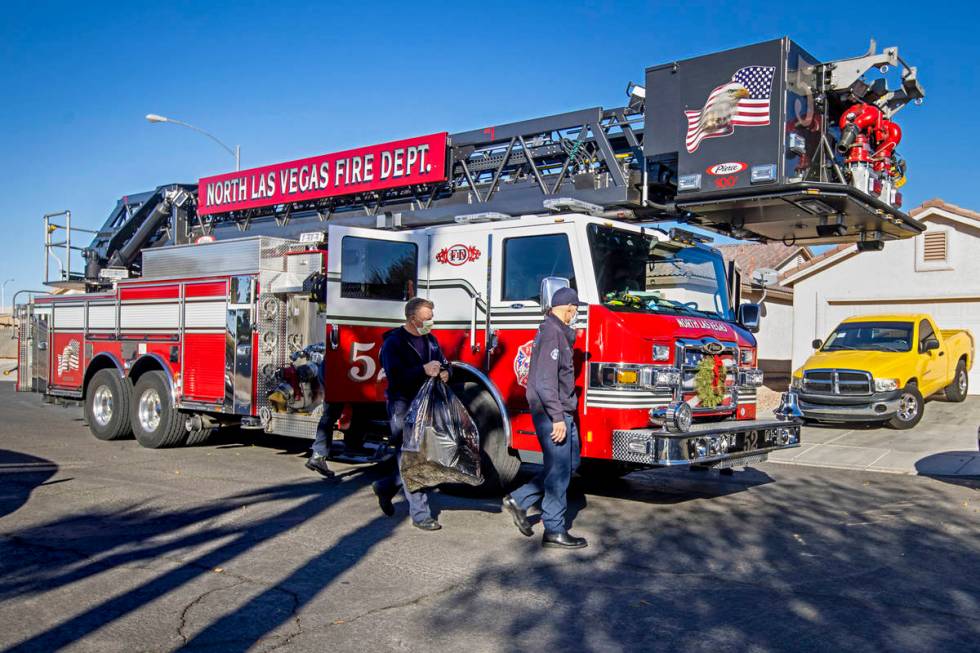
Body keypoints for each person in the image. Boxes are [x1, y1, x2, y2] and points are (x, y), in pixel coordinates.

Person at [502, 286, 588, 549]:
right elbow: (544, 381)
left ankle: (520, 498)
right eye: (575, 309)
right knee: (560, 470)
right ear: (569, 307)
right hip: (554, 412)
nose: (576, 313)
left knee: (568, 464)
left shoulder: (556, 332)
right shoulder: (552, 333)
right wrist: (558, 417)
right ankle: (554, 528)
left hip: (560, 410)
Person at [373, 297, 450, 531]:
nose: (431, 321)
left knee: (420, 456)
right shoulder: (394, 343)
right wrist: (422, 370)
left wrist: (446, 373)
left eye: (432, 317)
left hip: (425, 405)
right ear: (412, 317)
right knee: (411, 457)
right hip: (402, 405)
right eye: (427, 317)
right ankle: (420, 513)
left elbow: (445, 362)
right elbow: (395, 377)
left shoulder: (431, 341)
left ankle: (386, 486)